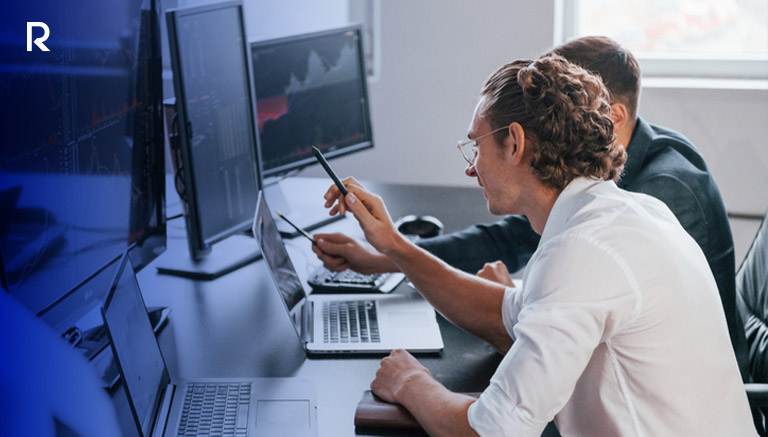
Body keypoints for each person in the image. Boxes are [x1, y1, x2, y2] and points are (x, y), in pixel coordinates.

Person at [313, 55, 754, 435]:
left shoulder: (584, 250)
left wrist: (411, 383)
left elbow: (491, 432)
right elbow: (502, 313)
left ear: (515, 143)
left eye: (476, 147)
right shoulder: (627, 214)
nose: (471, 170)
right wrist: (394, 247)